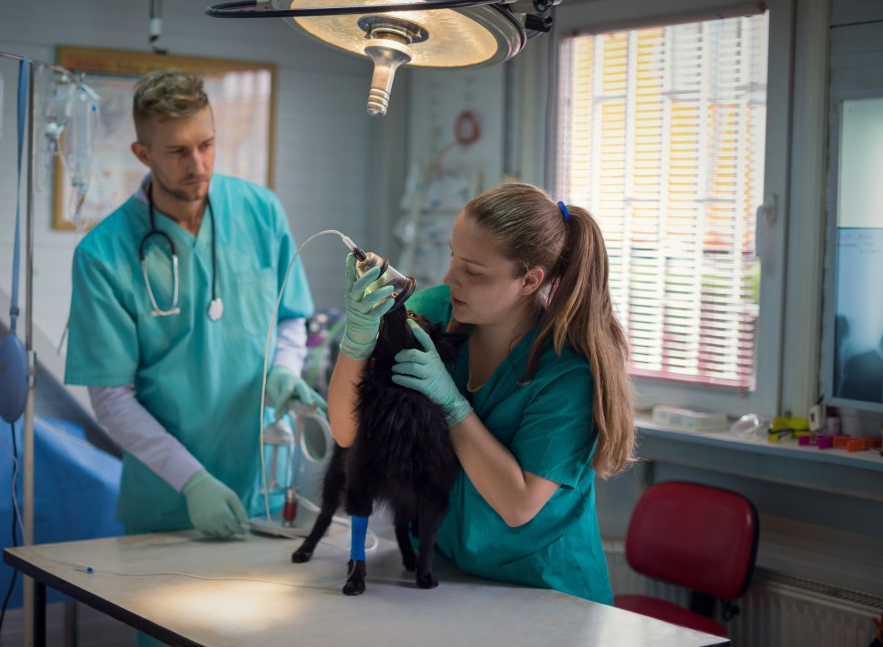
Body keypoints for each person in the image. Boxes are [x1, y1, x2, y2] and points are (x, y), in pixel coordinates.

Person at [328, 182, 636, 604]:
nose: (449, 276)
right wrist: (358, 338)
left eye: (473, 271)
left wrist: (451, 405)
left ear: (529, 280)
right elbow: (349, 433)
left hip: (547, 593)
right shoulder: (436, 312)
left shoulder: (567, 373)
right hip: (446, 575)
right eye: (454, 256)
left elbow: (518, 504)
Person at [65, 69, 323, 544]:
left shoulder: (260, 211)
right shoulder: (103, 255)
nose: (199, 165)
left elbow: (291, 318)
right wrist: (191, 480)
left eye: (206, 144)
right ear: (143, 154)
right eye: (178, 152)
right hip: (170, 500)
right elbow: (111, 398)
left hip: (266, 482)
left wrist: (285, 371)